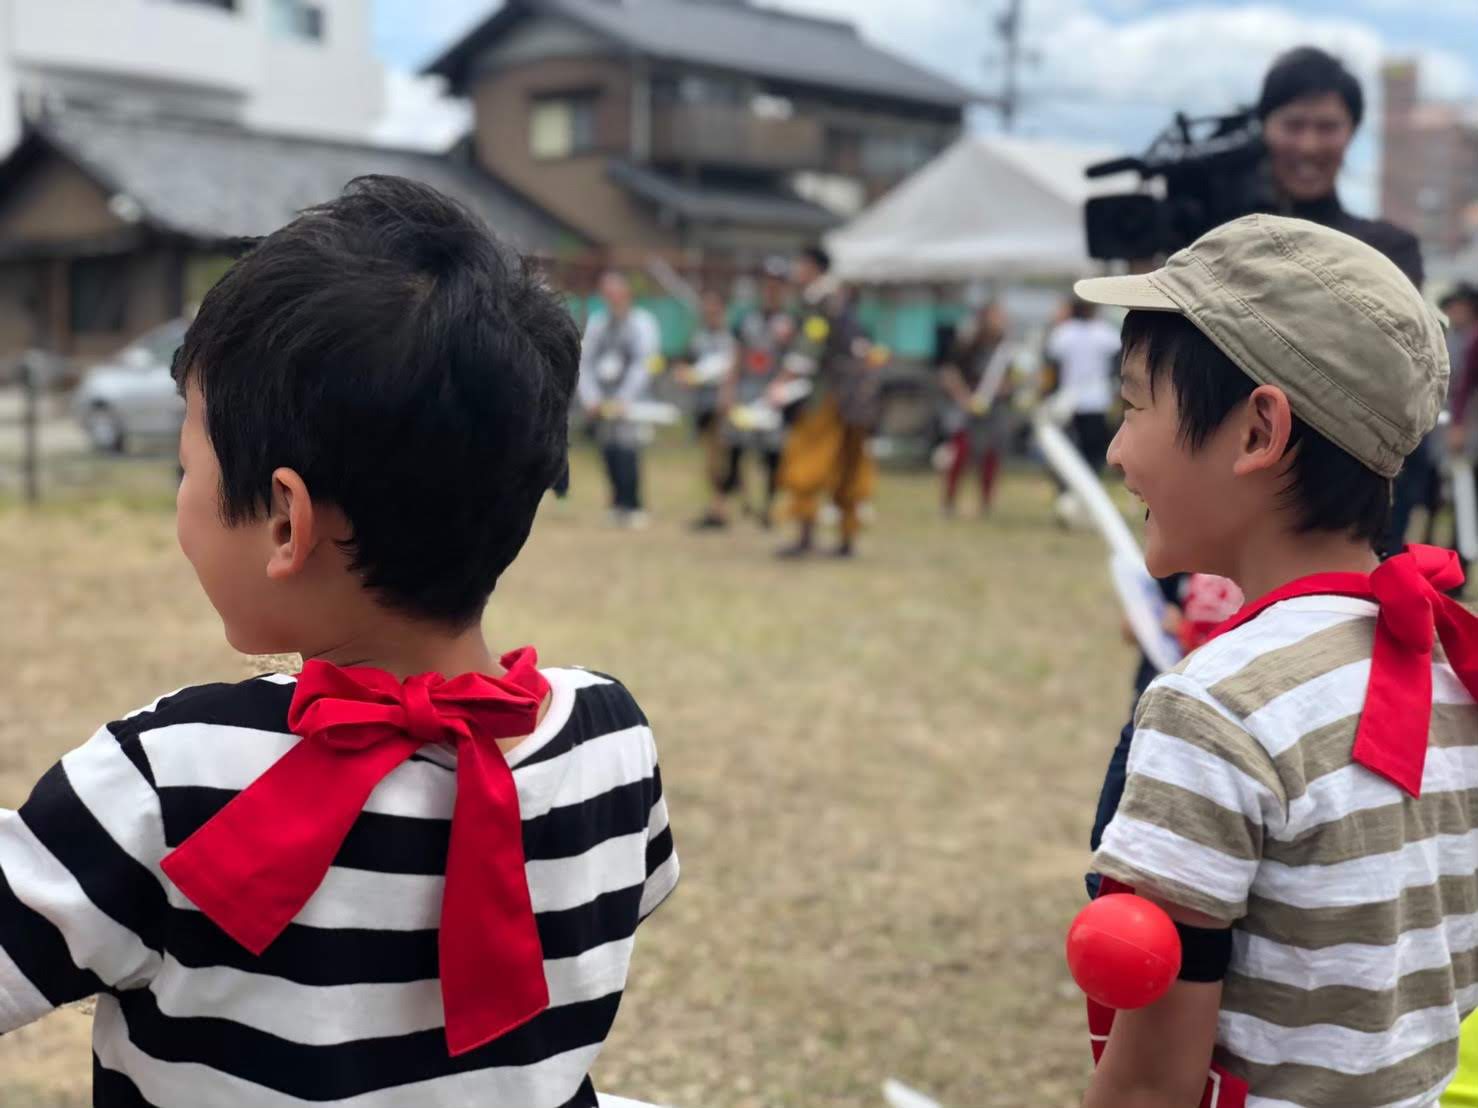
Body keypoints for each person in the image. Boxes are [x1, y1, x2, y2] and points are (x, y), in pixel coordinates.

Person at [0, 176, 679, 1106]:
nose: (181, 502)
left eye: (185, 467)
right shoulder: (610, 739)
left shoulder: (169, 781)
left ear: (286, 521)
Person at [1079, 214, 1467, 1108]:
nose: (1117, 450)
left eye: (1137, 405)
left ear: (1257, 432)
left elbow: (1149, 1086)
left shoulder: (1215, 709)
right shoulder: (1454, 666)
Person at [1258, 45, 1425, 286]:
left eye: (1327, 127)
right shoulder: (1207, 230)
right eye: (1294, 125)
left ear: (1352, 132)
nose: (1309, 146)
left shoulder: (1389, 251)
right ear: (1264, 128)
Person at [772, 247, 879, 559]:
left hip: (829, 397)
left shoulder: (821, 302)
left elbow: (809, 349)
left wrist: (782, 381)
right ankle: (846, 540)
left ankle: (807, 536)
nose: (795, 271)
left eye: (799, 264)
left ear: (813, 267)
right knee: (849, 465)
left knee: (809, 462)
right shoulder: (841, 300)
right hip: (856, 398)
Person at [577, 272, 663, 528]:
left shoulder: (643, 323)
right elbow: (587, 361)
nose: (612, 299)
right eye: (607, 294)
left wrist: (624, 398)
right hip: (603, 399)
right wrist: (591, 397)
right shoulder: (599, 322)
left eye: (616, 293)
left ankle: (633, 504)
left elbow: (644, 364)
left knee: (628, 449)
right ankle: (616, 502)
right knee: (608, 449)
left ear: (627, 295)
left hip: (631, 400)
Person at [937, 301, 1016, 516]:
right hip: (968, 406)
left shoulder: (1005, 347)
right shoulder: (968, 342)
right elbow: (948, 372)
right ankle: (949, 501)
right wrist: (964, 397)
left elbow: (1013, 379)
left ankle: (986, 503)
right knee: (960, 452)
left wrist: (1003, 388)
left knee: (991, 455)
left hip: (995, 408)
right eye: (996, 316)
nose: (1000, 321)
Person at [678, 289, 741, 531]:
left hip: (725, 408)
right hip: (702, 405)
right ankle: (719, 505)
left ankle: (720, 507)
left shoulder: (733, 338)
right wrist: (686, 375)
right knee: (711, 461)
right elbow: (685, 364)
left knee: (721, 461)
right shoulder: (698, 337)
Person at [1044, 298, 1119, 474]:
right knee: (1088, 447)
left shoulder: (1064, 332)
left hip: (1076, 398)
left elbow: (1052, 363)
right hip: (1091, 398)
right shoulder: (1105, 332)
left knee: (1075, 446)